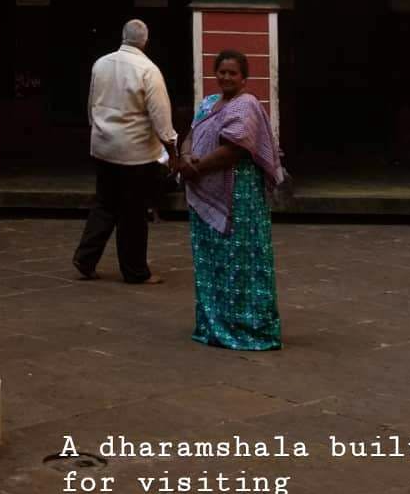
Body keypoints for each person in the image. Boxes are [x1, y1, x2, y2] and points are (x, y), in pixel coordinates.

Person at [178, 48, 284, 351]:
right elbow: (190, 134)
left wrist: (193, 168)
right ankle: (214, 325)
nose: (225, 77)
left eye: (232, 72)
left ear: (244, 77)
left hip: (240, 198)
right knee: (211, 260)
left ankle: (248, 327)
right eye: (221, 71)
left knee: (242, 261)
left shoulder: (246, 105)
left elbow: (234, 150)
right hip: (205, 190)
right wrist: (185, 157)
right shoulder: (209, 103)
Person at [72, 19, 178, 286]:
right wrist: (172, 148)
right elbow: (161, 116)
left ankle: (85, 258)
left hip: (104, 146)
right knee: (133, 212)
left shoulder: (101, 63)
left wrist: (97, 132)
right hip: (136, 152)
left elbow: (91, 105)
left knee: (104, 204)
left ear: (123, 37)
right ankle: (135, 271)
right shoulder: (148, 70)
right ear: (145, 41)